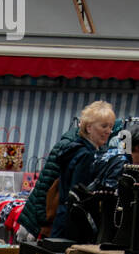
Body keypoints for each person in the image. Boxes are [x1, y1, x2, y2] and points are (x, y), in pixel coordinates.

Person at [18, 102, 120, 243]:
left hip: (63, 219)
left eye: (110, 126)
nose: (108, 131)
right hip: (73, 225)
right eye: (104, 126)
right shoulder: (86, 155)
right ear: (89, 127)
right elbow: (78, 195)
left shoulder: (75, 149)